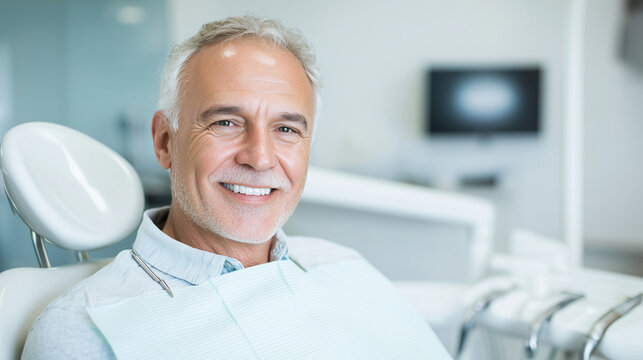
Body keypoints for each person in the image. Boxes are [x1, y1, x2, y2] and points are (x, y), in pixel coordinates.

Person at [22, 16, 451, 359]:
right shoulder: (86, 330)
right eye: (226, 122)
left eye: (286, 128)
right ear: (165, 140)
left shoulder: (341, 265)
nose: (260, 158)